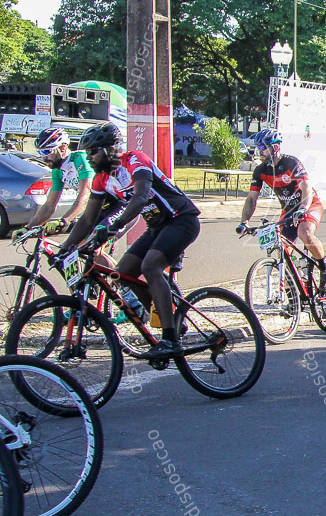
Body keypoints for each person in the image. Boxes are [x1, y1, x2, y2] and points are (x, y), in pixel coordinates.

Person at [59, 123, 201, 358]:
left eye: (92, 152)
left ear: (110, 149)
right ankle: (169, 319)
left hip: (182, 220)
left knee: (150, 265)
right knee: (122, 274)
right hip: (157, 227)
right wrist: (64, 249)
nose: (89, 157)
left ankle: (170, 338)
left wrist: (113, 228)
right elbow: (87, 220)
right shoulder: (102, 180)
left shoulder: (134, 160)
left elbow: (140, 197)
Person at [237, 128, 326, 290]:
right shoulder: (260, 171)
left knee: (305, 233)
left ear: (275, 147)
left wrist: (303, 208)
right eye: (257, 148)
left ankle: (324, 269)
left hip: (308, 204)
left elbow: (306, 188)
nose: (258, 151)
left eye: (262, 148)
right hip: (288, 211)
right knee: (283, 253)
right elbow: (252, 198)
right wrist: (244, 222)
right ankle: (293, 298)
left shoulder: (290, 163)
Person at [27, 127, 95, 235]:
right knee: (70, 248)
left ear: (63, 147)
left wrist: (64, 220)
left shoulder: (80, 159)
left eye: (47, 151)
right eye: (40, 152)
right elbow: (49, 206)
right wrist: (27, 228)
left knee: (87, 246)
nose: (43, 158)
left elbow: (85, 195)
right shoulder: (57, 170)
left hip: (111, 203)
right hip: (95, 206)